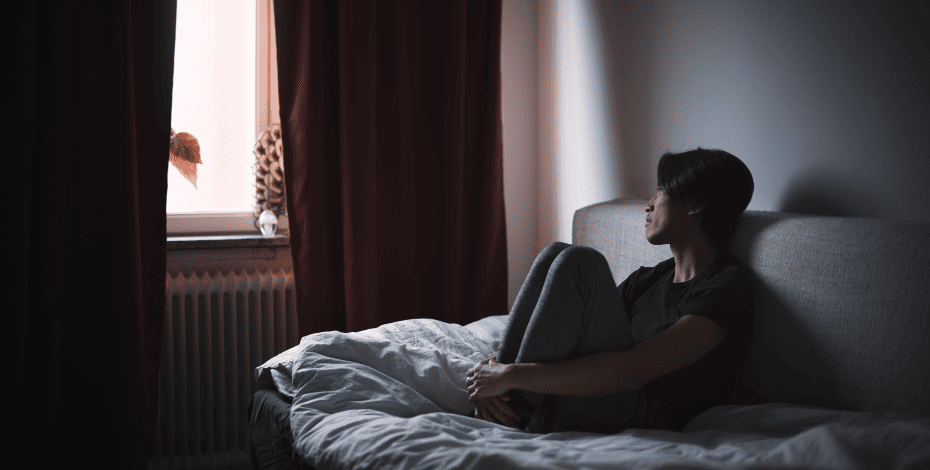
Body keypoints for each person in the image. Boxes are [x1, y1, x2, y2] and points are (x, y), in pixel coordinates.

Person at [466, 147, 755, 434]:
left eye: (660, 191)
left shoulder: (725, 289)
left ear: (694, 204)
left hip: (646, 413)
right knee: (555, 253)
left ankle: (509, 411)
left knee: (581, 262)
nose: (649, 204)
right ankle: (498, 402)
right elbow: (578, 336)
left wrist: (512, 375)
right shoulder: (650, 279)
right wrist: (498, 369)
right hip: (591, 396)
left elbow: (632, 372)